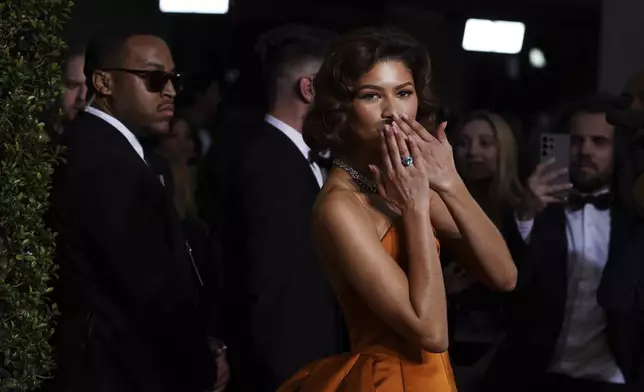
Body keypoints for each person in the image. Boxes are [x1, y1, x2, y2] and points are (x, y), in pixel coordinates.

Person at [277, 27, 517, 392]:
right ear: (343, 109)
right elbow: (432, 332)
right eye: (372, 96)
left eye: (404, 93)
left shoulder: (405, 182)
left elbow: (504, 276)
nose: (393, 112)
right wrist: (417, 209)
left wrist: (450, 182)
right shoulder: (340, 205)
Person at [47, 27, 226, 392]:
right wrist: (199, 365)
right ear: (104, 82)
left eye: (173, 78)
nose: (171, 90)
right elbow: (149, 292)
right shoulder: (103, 160)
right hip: (118, 370)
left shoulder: (117, 151)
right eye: (154, 78)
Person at [483, 94, 644, 392]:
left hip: (613, 377)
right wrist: (526, 214)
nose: (585, 151)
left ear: (618, 148)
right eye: (576, 140)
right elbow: (508, 289)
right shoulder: (535, 208)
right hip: (537, 375)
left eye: (599, 142)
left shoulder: (634, 217)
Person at [215, 24, 345, 392]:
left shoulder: (291, 158)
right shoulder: (269, 165)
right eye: (339, 88)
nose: (346, 102)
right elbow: (273, 293)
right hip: (291, 374)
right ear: (309, 88)